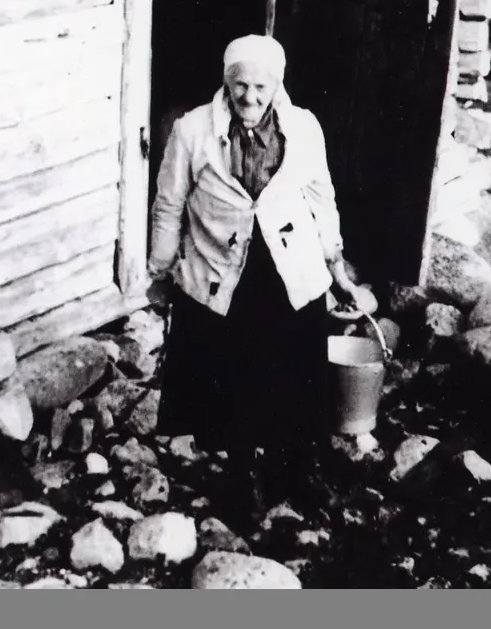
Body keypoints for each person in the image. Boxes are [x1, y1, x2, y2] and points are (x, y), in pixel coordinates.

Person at [146, 34, 377, 528]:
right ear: (225, 82)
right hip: (221, 273)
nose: (249, 97)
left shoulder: (304, 128)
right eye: (239, 85)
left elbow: (321, 198)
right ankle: (242, 472)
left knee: (297, 369)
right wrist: (161, 270)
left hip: (290, 270)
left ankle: (298, 468)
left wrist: (336, 265)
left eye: (260, 87)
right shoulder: (192, 131)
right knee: (233, 373)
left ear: (278, 84)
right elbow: (168, 204)